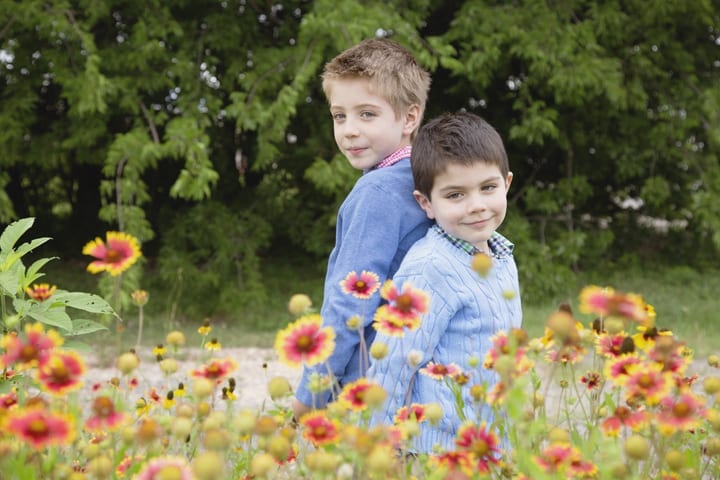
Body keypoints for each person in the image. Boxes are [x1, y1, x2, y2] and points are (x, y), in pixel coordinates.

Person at [291, 37, 433, 418]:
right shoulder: (429, 178)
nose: (349, 130)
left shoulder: (378, 191)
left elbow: (350, 304)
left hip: (367, 385)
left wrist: (311, 395)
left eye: (366, 114)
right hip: (419, 379)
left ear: (409, 118)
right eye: (340, 116)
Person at [367, 111, 522, 453]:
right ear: (426, 203)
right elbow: (392, 363)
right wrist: (376, 451)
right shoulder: (430, 267)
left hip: (491, 446)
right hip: (436, 451)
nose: (477, 206)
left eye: (488, 187)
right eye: (455, 195)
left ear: (507, 183)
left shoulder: (503, 257)